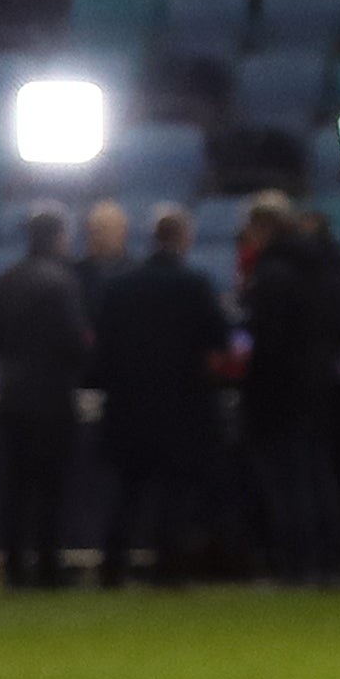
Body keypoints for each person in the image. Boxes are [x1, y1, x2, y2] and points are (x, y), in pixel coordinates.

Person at [93, 205, 228, 587]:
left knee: (128, 493)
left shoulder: (120, 286)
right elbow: (218, 337)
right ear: (184, 238)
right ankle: (168, 570)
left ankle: (111, 569)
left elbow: (103, 347)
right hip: (181, 406)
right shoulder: (195, 284)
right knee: (174, 495)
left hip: (129, 407)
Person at [237, 197, 340, 585]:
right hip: (322, 385)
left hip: (280, 390)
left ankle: (297, 563)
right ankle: (331, 560)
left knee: (289, 479)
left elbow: (269, 341)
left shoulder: (274, 272)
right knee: (319, 472)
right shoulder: (326, 265)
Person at [0, 207, 89, 588]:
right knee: (51, 488)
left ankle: (15, 567)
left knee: (14, 487)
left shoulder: (5, 280)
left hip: (12, 395)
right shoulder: (62, 282)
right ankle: (48, 566)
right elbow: (74, 343)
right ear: (59, 237)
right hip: (51, 398)